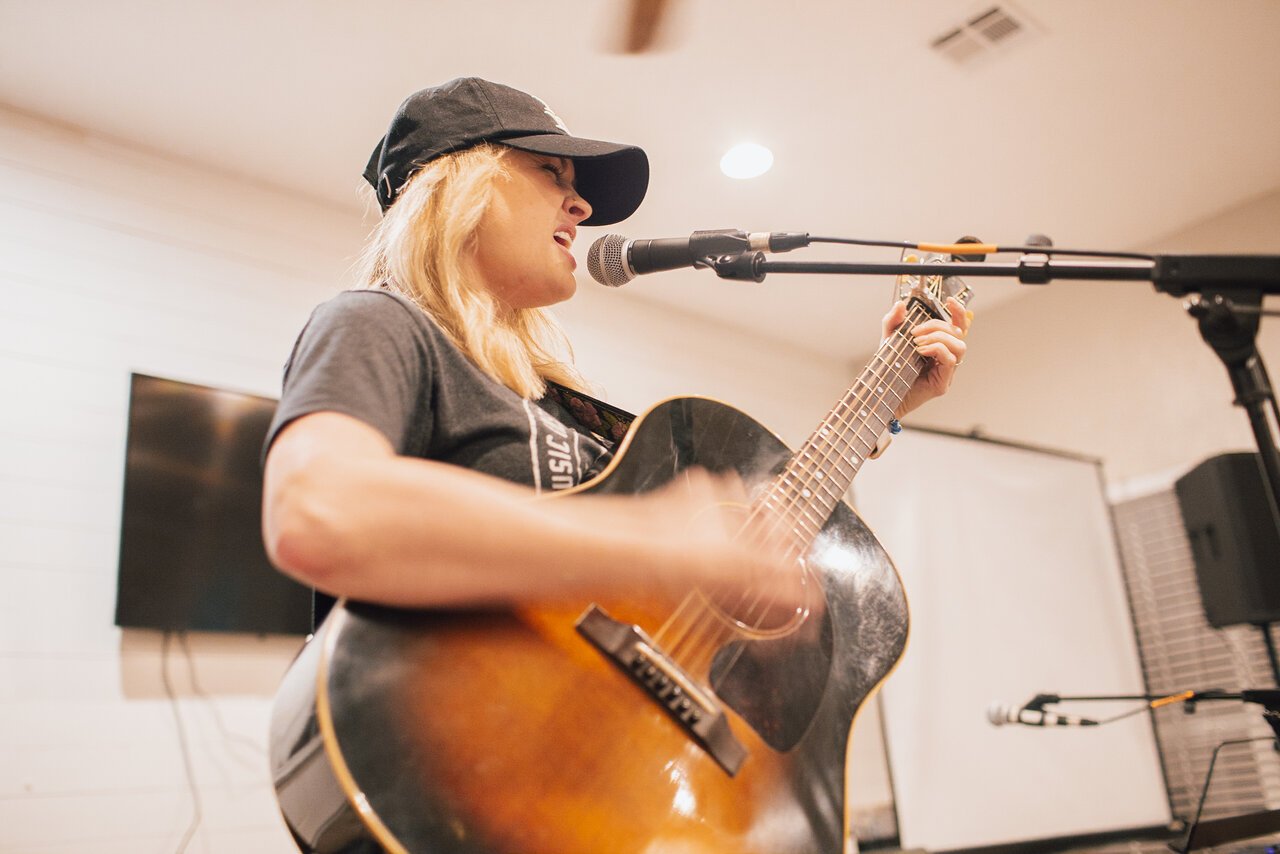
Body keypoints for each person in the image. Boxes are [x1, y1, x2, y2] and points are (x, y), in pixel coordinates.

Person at [260, 77, 970, 615]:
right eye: (552, 173)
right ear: (460, 187)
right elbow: (317, 511)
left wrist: (885, 401)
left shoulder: (553, 403)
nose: (584, 207)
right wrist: (654, 541)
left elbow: (753, 540)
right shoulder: (379, 325)